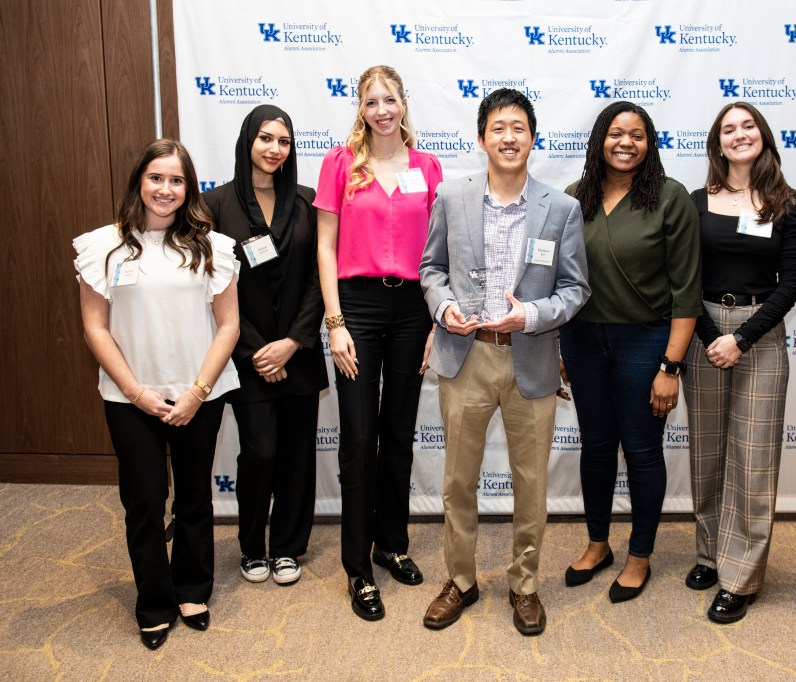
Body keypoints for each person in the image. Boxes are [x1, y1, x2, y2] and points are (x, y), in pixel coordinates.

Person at [419, 88, 590, 636]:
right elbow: (431, 268)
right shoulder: (451, 196)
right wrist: (443, 307)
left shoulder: (561, 208)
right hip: (465, 356)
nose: (509, 137)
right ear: (481, 138)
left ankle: (525, 584)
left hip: (530, 359)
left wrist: (532, 315)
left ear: (533, 139)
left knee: (530, 484)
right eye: (498, 128)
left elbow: (575, 288)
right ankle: (460, 580)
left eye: (519, 128)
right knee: (458, 481)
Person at [74, 139, 240, 649]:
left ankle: (192, 589)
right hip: (130, 399)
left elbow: (229, 325)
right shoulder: (103, 246)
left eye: (176, 180)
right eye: (156, 178)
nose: (165, 189)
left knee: (193, 497)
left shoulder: (213, 247)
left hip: (198, 395)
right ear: (139, 182)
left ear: (188, 188)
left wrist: (197, 391)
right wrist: (136, 392)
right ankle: (153, 601)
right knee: (144, 501)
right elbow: (95, 328)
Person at [315, 65, 443, 621]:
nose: (382, 110)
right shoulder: (341, 163)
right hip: (358, 308)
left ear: (404, 103)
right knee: (359, 437)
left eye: (390, 99)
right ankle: (357, 567)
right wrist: (335, 322)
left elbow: (439, 251)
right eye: (371, 101)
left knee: (398, 434)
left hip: (413, 308)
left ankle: (391, 543)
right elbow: (325, 246)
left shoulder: (427, 167)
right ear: (361, 109)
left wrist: (436, 321)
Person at [560, 101, 701, 603]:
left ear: (649, 143)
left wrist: (671, 366)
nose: (626, 143)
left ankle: (640, 555)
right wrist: (558, 345)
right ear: (600, 139)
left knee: (641, 451)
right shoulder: (575, 197)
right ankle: (598, 544)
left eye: (637, 135)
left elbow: (687, 290)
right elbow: (560, 279)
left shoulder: (670, 197)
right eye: (616, 133)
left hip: (646, 343)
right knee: (596, 447)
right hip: (582, 339)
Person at [680, 102, 796, 623]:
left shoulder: (789, 204)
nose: (739, 135)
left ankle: (741, 577)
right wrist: (713, 336)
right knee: (708, 452)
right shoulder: (696, 202)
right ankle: (711, 553)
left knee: (753, 460)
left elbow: (792, 284)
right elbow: (684, 278)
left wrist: (742, 338)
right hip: (704, 331)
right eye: (728, 129)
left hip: (762, 333)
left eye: (748, 126)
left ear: (763, 135)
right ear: (717, 143)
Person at [205, 105, 328, 587]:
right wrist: (260, 350)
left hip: (299, 352)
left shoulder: (307, 201)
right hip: (247, 355)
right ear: (247, 142)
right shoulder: (215, 206)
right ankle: (252, 545)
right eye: (265, 138)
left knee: (297, 455)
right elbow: (216, 286)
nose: (275, 149)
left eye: (284, 141)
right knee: (260, 452)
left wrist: (292, 342)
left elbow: (320, 277)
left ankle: (288, 548)